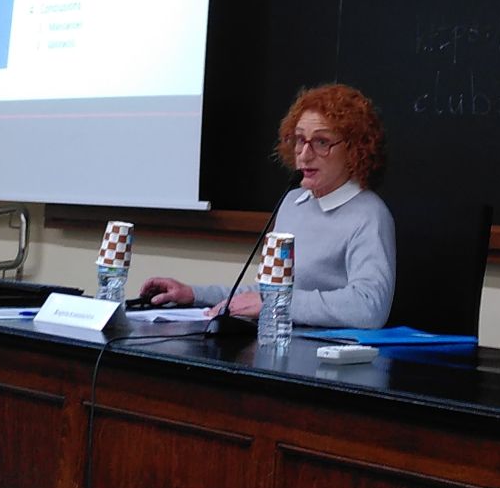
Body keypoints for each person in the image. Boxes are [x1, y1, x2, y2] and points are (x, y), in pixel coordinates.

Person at [140, 84, 396, 328]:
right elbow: (267, 292)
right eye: (299, 140)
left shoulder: (369, 214)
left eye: (321, 142)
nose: (304, 154)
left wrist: (274, 303)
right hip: (278, 339)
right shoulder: (293, 203)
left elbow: (369, 306)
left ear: (354, 149)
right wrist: (193, 294)